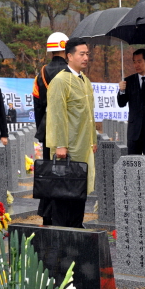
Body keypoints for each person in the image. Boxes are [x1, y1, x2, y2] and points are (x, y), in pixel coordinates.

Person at [45, 37, 97, 228]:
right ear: (69, 56)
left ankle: (76, 230)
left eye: (87, 54)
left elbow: (90, 115)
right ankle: (62, 235)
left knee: (79, 192)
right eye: (81, 54)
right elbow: (56, 115)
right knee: (63, 193)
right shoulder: (60, 80)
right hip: (68, 147)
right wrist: (60, 145)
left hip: (83, 146)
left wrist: (92, 139)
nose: (85, 58)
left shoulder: (85, 81)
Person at [32, 32, 69, 225]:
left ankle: (47, 214)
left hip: (48, 129)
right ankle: (64, 213)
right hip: (67, 129)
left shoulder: (42, 72)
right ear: (65, 48)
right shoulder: (71, 72)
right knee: (66, 171)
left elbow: (37, 104)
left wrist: (42, 129)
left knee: (49, 169)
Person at [118, 49, 145, 156]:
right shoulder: (128, 81)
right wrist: (121, 90)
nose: (136, 65)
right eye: (134, 62)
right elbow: (121, 103)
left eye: (139, 61)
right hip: (134, 132)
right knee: (133, 166)